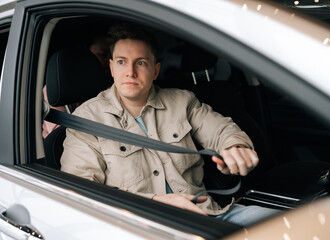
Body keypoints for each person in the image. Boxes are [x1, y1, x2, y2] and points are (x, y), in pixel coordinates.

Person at [60, 23, 279, 226]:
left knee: (287, 224)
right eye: (121, 62)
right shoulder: (86, 120)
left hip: (207, 216)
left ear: (155, 70)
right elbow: (81, 192)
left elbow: (220, 129)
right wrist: (155, 201)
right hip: (139, 225)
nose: (130, 72)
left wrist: (234, 147)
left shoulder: (182, 101)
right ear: (111, 67)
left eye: (141, 63)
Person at [42, 33, 111, 138]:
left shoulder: (111, 84)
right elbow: (61, 136)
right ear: (86, 55)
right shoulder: (60, 86)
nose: (108, 60)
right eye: (102, 54)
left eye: (111, 55)